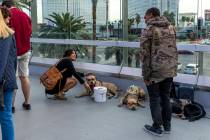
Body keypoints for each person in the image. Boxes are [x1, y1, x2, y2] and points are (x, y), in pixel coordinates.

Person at [140, 7, 178, 136]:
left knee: (155, 98)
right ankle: (167, 126)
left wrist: (146, 74)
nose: (144, 18)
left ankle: (157, 127)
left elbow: (144, 55)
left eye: (145, 15)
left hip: (155, 71)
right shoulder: (171, 28)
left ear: (151, 15)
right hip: (170, 69)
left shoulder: (148, 30)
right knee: (166, 97)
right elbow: (174, 48)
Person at [2, 0, 32, 112]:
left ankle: (12, 105)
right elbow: (29, 32)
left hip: (12, 53)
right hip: (25, 50)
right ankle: (27, 102)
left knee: (12, 78)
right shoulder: (25, 15)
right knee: (24, 76)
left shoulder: (6, 16)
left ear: (5, 6)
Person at [0, 6, 17, 140]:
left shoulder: (5, 35)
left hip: (4, 82)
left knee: (5, 116)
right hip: (7, 80)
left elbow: (2, 61)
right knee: (5, 116)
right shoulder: (8, 35)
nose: (9, 19)